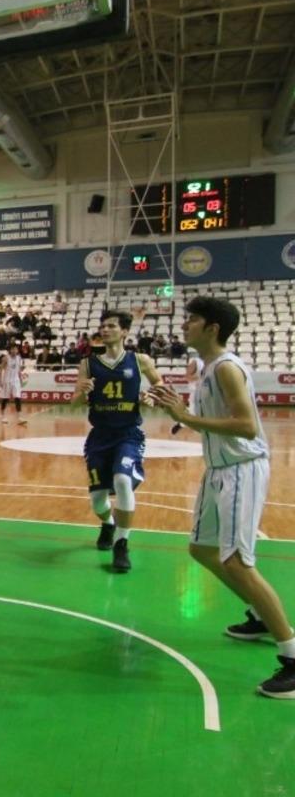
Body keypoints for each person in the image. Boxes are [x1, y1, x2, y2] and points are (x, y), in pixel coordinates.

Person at [150, 297, 295, 697]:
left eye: (192, 320)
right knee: (202, 550)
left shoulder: (228, 368)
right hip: (219, 470)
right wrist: (177, 413)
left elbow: (246, 426)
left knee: (237, 561)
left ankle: (292, 655)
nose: (185, 326)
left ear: (212, 327)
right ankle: (261, 616)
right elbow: (206, 420)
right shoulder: (208, 369)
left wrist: (185, 417)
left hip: (241, 470)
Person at [71, 310, 162, 573]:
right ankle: (108, 523)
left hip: (128, 434)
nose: (105, 329)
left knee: (123, 481)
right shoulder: (89, 364)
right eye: (102, 326)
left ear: (124, 332)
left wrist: (152, 398)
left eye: (111, 326)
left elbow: (159, 384)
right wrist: (82, 393)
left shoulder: (140, 360)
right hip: (99, 436)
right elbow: (75, 402)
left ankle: (122, 544)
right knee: (98, 501)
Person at [172, 349, 204, 435]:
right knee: (193, 410)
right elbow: (187, 377)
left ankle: (182, 423)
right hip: (196, 390)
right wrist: (200, 378)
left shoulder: (213, 361)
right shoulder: (195, 362)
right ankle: (181, 423)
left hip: (207, 389)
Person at [0, 345, 28, 425]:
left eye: (16, 349)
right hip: (7, 380)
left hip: (16, 381)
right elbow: (0, 371)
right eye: (13, 349)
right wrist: (0, 381)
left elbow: (18, 370)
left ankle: (20, 417)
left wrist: (21, 379)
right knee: (5, 399)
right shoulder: (5, 358)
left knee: (17, 398)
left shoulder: (19, 358)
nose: (14, 350)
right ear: (10, 350)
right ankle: (2, 415)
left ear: (17, 350)